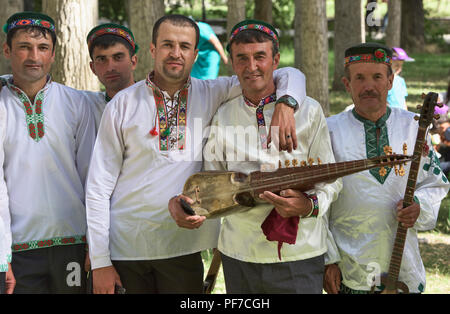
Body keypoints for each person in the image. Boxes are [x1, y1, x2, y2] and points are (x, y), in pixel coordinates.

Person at [86, 14, 306, 294]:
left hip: (185, 248)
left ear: (195, 54)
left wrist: (287, 103)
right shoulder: (122, 105)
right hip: (128, 250)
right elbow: (98, 187)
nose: (175, 53)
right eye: (167, 45)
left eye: (184, 46)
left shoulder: (213, 92)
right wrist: (101, 262)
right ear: (153, 50)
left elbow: (287, 74)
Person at [195, 19, 342, 294]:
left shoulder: (309, 111)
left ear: (275, 60)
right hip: (240, 252)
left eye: (259, 57)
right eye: (242, 58)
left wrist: (308, 204)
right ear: (233, 63)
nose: (251, 67)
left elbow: (331, 179)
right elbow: (212, 185)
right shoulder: (224, 116)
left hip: (300, 251)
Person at [324, 43, 450, 294]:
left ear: (390, 81)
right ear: (347, 84)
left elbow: (435, 183)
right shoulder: (329, 131)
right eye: (359, 78)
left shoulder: (414, 127)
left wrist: (419, 206)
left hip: (402, 262)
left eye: (377, 77)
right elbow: (319, 200)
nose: (368, 86)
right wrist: (328, 259)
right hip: (350, 265)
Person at [0, 12, 96, 293]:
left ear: (53, 54)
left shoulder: (77, 103)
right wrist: (2, 256)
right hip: (18, 249)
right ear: (7, 50)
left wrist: (97, 245)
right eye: (24, 47)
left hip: (73, 244)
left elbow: (92, 177)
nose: (34, 56)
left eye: (42, 48)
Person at [84, 23, 138, 130]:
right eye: (102, 59)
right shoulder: (86, 108)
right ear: (93, 68)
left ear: (133, 62)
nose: (110, 68)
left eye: (118, 57)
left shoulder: (156, 103)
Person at [386, 47, 414, 111]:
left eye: (401, 65)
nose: (399, 68)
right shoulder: (383, 81)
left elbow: (403, 101)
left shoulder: (401, 81)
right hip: (390, 114)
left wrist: (406, 113)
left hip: (402, 114)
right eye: (396, 65)